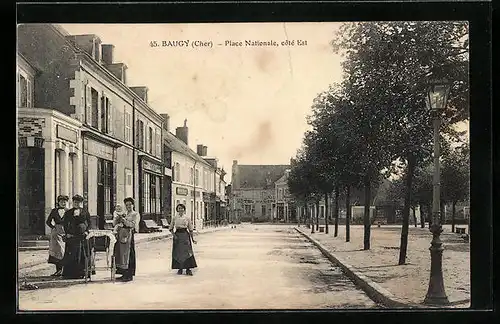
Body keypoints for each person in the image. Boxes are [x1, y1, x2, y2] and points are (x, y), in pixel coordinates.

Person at [61, 194, 92, 279]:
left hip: (82, 235)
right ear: (73, 202)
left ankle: (83, 272)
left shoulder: (85, 211)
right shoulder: (68, 212)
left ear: (81, 203)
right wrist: (67, 233)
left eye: (78, 202)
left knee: (82, 254)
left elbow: (89, 223)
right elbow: (65, 224)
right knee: (72, 253)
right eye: (75, 202)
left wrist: (86, 231)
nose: (76, 204)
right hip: (72, 236)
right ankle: (70, 274)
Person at [113, 197, 140, 282]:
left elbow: (133, 225)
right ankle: (123, 273)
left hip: (129, 235)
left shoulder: (135, 214)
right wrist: (117, 219)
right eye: (127, 205)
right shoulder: (124, 213)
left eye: (130, 204)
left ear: (133, 205)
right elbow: (115, 223)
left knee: (128, 254)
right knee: (121, 254)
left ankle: (129, 275)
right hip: (121, 235)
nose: (128, 206)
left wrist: (124, 221)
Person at [170, 204, 197, 276]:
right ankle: (180, 268)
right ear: (177, 210)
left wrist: (192, 239)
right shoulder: (174, 218)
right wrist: (174, 235)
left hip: (185, 235)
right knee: (178, 252)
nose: (181, 210)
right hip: (177, 236)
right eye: (179, 208)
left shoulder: (187, 218)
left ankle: (188, 269)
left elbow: (190, 229)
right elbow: (171, 228)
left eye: (182, 208)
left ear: (184, 209)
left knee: (187, 252)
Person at [46, 195, 69, 276]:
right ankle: (58, 270)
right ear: (58, 202)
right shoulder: (54, 211)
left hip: (66, 232)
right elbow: (48, 221)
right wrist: (53, 228)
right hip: (56, 234)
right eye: (61, 201)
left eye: (65, 202)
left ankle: (64, 270)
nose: (63, 203)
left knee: (64, 251)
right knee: (57, 251)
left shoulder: (69, 211)